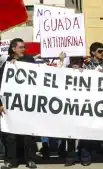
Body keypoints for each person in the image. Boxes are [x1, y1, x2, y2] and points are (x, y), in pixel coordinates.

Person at [0, 38, 37, 169]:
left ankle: (30, 160)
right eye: (21, 47)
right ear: (13, 48)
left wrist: (20, 65)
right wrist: (0, 103)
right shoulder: (6, 63)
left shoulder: (30, 60)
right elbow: (1, 83)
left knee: (28, 134)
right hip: (11, 103)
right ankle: (11, 161)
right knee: (10, 134)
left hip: (27, 103)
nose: (24, 49)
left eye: (24, 47)